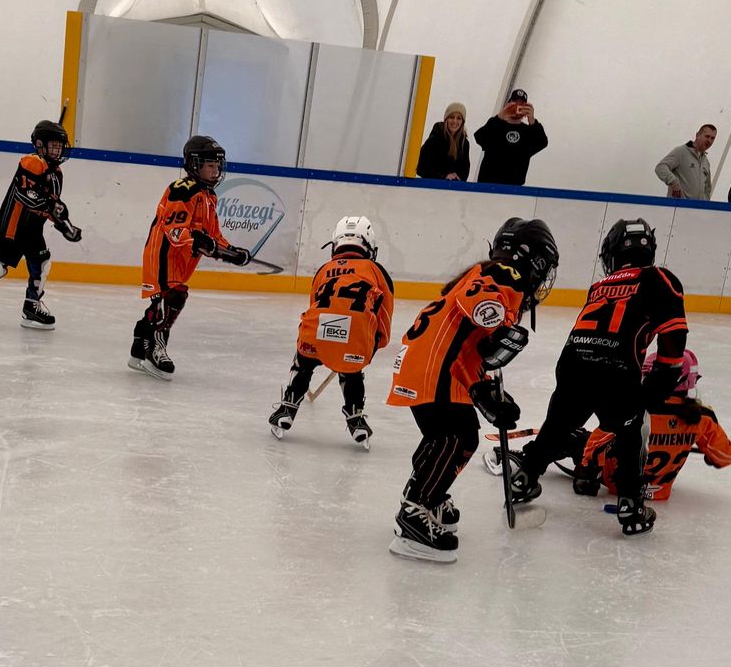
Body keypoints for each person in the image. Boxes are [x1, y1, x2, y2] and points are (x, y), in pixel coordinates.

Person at [388, 217, 560, 563]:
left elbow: (471, 351)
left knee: (443, 436)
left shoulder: (492, 274)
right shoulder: (504, 274)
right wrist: (497, 322)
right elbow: (476, 301)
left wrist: (482, 391)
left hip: (430, 365)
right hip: (434, 366)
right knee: (458, 438)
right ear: (534, 261)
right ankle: (415, 512)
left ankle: (425, 494)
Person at [509, 218, 688, 536]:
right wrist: (667, 370)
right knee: (631, 433)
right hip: (617, 370)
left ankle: (524, 477)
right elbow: (673, 331)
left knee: (557, 428)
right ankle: (631, 507)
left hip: (574, 363)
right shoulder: (659, 277)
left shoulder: (601, 286)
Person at [128, 135, 250, 380]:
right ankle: (155, 349)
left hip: (181, 260)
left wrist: (231, 252)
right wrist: (201, 241)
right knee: (173, 297)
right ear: (194, 165)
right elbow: (174, 231)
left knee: (162, 302)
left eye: (217, 166)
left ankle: (138, 349)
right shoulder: (181, 189)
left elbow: (213, 236)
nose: (215, 171)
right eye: (210, 165)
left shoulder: (208, 197)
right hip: (163, 255)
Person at [268, 216, 394, 448]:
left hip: (314, 332)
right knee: (352, 368)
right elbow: (384, 320)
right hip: (355, 339)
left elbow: (316, 307)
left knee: (303, 363)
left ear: (335, 244)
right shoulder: (377, 271)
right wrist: (369, 347)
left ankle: (287, 409)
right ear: (369, 245)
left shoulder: (324, 270)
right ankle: (356, 419)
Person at [0, 118, 82, 329]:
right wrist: (52, 206)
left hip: (33, 229)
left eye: (60, 146)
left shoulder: (57, 174)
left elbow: (52, 206)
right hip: (12, 226)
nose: (59, 150)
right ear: (40, 144)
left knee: (42, 263)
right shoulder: (32, 162)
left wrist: (66, 226)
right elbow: (26, 196)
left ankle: (31, 307)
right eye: (54, 145)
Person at [573, 349, 731, 500]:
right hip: (660, 491)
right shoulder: (703, 417)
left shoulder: (633, 409)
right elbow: (726, 457)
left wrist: (585, 471)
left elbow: (594, 446)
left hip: (619, 487)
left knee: (578, 438)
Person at [473, 89, 547, 185]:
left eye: (521, 105)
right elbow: (479, 137)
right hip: (487, 186)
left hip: (513, 191)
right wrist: (500, 116)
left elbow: (542, 142)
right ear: (507, 104)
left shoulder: (528, 133)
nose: (517, 107)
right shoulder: (496, 125)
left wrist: (532, 120)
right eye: (514, 103)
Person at [654, 124, 717, 200]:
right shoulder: (682, 152)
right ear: (697, 135)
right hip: (680, 208)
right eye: (707, 136)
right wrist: (674, 182)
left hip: (698, 209)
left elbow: (707, 188)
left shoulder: (706, 162)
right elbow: (660, 167)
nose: (709, 140)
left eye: (712, 138)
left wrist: (706, 204)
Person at [416, 102, 470, 181]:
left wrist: (458, 177)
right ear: (446, 119)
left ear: (462, 122)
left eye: (459, 118)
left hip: (452, 191)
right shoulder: (434, 140)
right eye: (452, 117)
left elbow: (464, 171)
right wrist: (444, 176)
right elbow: (421, 169)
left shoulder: (464, 144)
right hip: (431, 189)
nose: (455, 121)